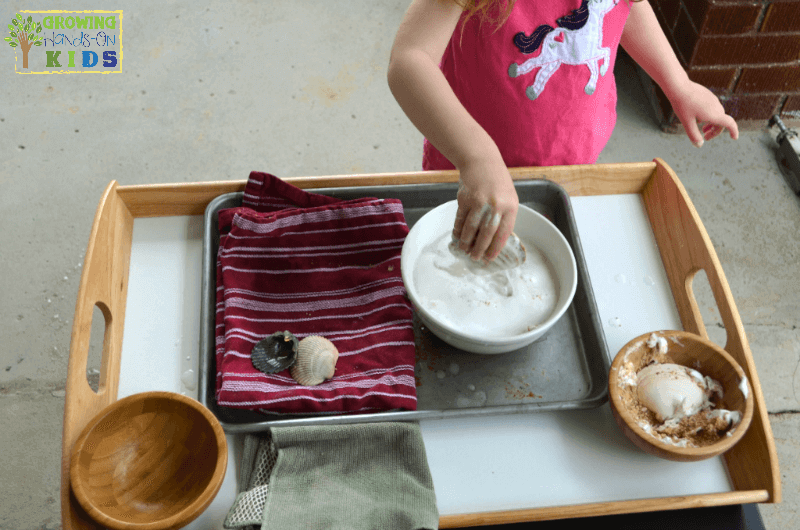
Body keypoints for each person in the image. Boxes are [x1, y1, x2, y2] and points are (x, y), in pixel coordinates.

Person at [388, 0, 739, 263]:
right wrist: (476, 156)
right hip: (471, 171)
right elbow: (409, 60)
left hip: (573, 162)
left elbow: (627, 7)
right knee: (461, 261)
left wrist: (677, 82)